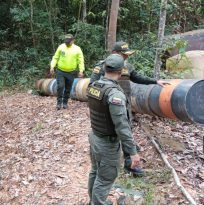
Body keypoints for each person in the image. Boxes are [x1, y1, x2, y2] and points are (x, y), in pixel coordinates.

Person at [90, 41, 169, 176]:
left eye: (127, 55)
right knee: (110, 133)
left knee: (126, 131)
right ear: (115, 53)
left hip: (124, 106)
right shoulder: (103, 66)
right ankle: (105, 164)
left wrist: (155, 81)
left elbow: (137, 77)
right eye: (123, 54)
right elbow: (93, 87)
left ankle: (130, 164)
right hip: (108, 107)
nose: (126, 57)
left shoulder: (126, 66)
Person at [87, 54, 140, 205]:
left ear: (104, 68)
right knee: (106, 177)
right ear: (121, 71)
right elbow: (122, 127)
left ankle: (93, 200)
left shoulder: (94, 86)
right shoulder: (114, 94)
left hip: (95, 136)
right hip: (106, 143)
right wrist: (132, 152)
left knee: (96, 171)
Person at [50, 34, 85, 110]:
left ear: (73, 41)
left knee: (68, 88)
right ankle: (59, 103)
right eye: (66, 41)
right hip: (60, 71)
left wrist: (81, 70)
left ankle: (65, 103)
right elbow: (55, 57)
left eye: (68, 42)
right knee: (60, 86)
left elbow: (80, 61)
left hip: (71, 72)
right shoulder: (61, 47)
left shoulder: (77, 49)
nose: (67, 43)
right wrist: (52, 66)